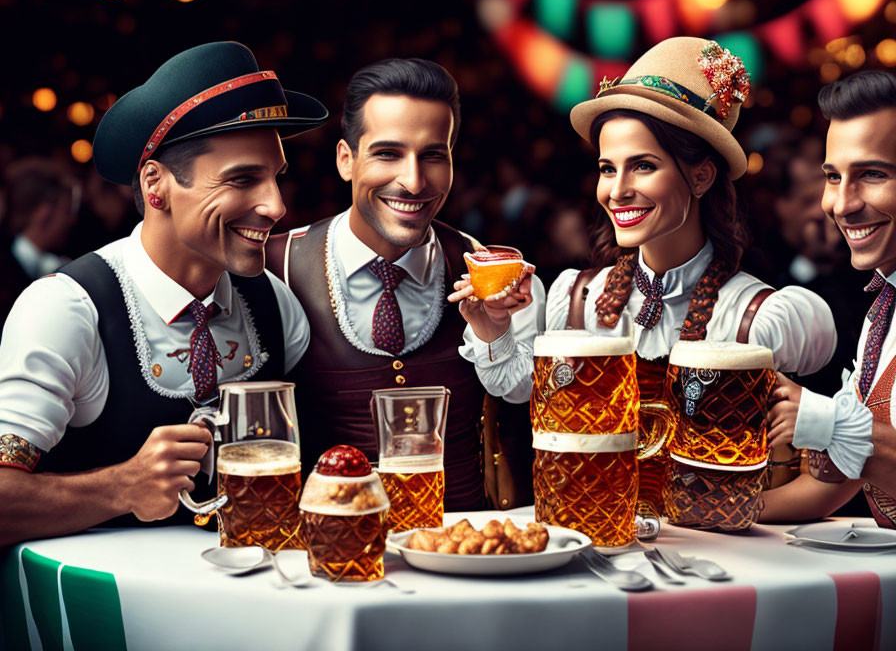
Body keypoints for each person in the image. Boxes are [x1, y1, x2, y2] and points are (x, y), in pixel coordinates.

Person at [452, 37, 838, 515]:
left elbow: (833, 449)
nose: (617, 191)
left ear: (701, 177)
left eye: (644, 166)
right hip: (596, 554)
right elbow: (516, 386)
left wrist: (746, 508)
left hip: (717, 569)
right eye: (607, 168)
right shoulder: (575, 298)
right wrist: (494, 331)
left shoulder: (758, 315)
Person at [0, 41, 328, 547]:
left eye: (275, 178)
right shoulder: (67, 309)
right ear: (156, 185)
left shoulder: (276, 304)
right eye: (242, 179)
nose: (275, 205)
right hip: (109, 618)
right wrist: (119, 486)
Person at [266, 58, 544, 511]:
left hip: (462, 550)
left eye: (433, 155)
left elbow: (520, 393)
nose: (413, 181)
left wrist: (496, 332)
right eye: (388, 153)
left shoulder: (494, 272)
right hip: (329, 556)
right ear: (345, 159)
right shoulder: (272, 268)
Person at [761, 70, 896, 525]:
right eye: (834, 177)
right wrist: (701, 512)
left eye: (872, 174)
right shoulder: (882, 309)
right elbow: (837, 480)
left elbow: (854, 444)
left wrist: (824, 420)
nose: (841, 203)